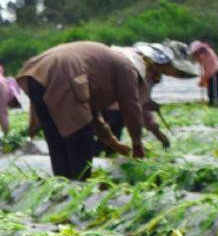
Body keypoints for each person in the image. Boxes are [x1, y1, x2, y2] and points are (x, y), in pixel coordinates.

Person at [16, 41, 146, 180]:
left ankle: (63, 186)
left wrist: (113, 143)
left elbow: (89, 112)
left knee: (55, 137)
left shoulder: (102, 64)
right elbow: (131, 106)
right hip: (64, 70)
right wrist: (137, 144)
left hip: (37, 72)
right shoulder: (127, 68)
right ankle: (79, 185)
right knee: (80, 136)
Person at [190, 40, 218, 107]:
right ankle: (211, 104)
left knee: (214, 91)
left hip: (214, 73)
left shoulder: (206, 53)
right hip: (210, 73)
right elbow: (205, 68)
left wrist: (203, 80)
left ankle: (216, 104)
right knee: (210, 90)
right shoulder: (202, 54)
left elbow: (210, 69)